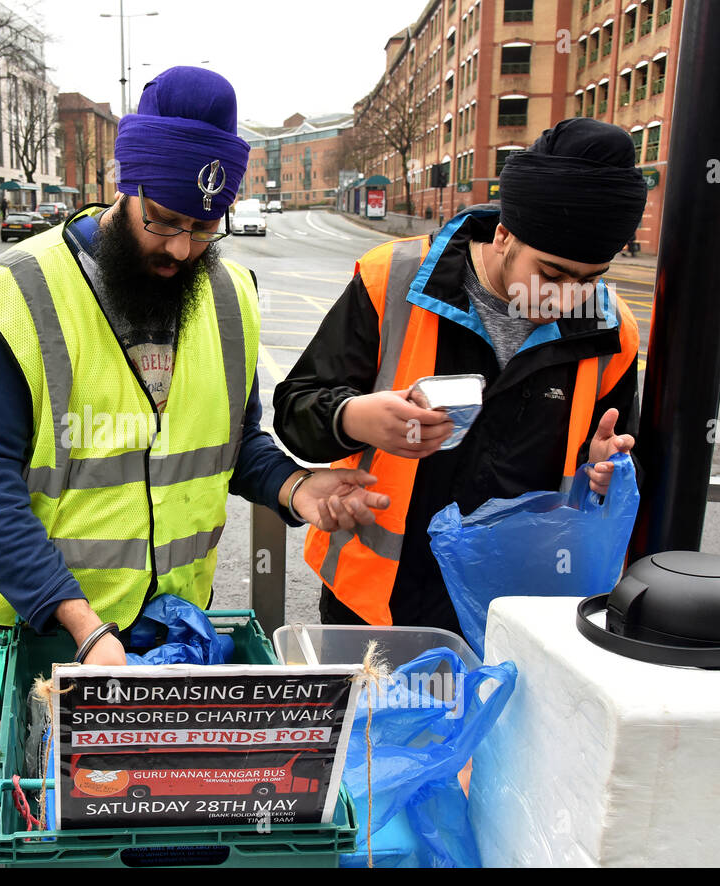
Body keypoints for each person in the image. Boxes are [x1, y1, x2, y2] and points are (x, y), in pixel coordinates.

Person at [0, 67, 388, 666]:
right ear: (127, 187)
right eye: (163, 219)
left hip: (170, 630)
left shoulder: (231, 295)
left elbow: (232, 443)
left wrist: (297, 487)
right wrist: (83, 626)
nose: (182, 249)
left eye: (204, 228)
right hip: (41, 628)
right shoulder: (17, 294)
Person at [272, 117, 645, 633]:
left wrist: (604, 473)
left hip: (520, 615)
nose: (565, 298)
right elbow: (295, 410)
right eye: (552, 274)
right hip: (377, 606)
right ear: (503, 235)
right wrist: (354, 417)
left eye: (589, 279)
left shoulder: (611, 331)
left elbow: (621, 466)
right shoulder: (392, 278)